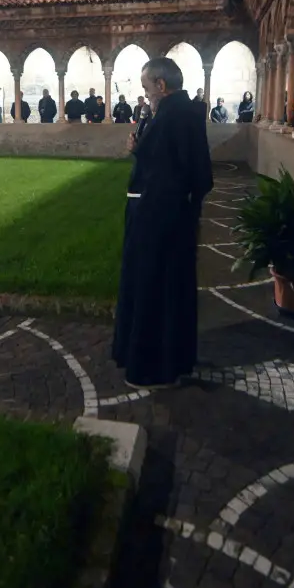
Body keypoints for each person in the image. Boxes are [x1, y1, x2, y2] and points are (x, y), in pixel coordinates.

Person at [112, 57, 213, 389]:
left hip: (162, 221)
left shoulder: (177, 115)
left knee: (155, 288)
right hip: (162, 215)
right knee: (163, 288)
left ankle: (153, 366)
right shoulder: (173, 114)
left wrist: (166, 207)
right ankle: (170, 358)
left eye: (146, 89)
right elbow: (167, 162)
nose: (145, 97)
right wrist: (139, 150)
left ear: (161, 85)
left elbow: (192, 174)